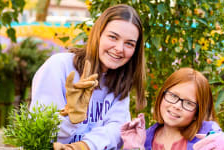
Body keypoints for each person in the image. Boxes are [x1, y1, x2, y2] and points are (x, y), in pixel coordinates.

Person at [30, 4, 146, 150]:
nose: (119, 49)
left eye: (129, 44)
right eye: (112, 37)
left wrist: (83, 146)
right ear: (97, 34)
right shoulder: (60, 66)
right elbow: (37, 134)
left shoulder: (121, 80)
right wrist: (69, 118)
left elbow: (116, 129)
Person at [121, 68, 224, 150]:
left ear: (198, 112)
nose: (177, 106)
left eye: (189, 103)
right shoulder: (147, 137)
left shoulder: (208, 134)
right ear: (162, 95)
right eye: (173, 96)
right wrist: (135, 146)